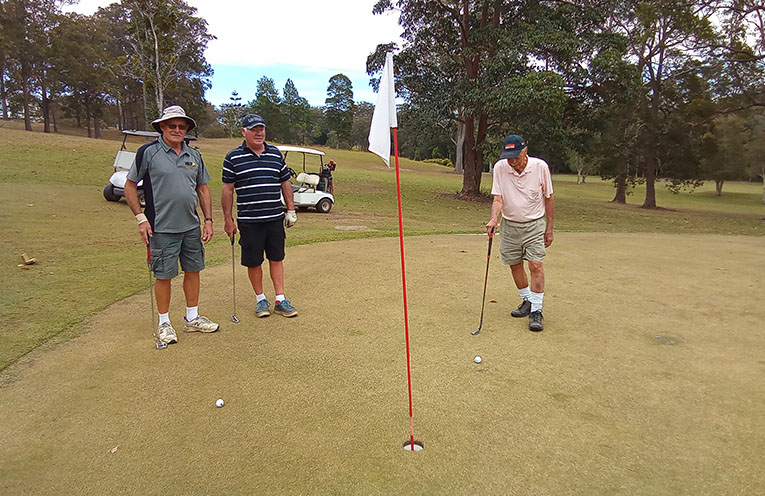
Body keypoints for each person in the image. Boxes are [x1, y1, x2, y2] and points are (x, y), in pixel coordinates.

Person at [125, 105, 220, 345]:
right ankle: (164, 323)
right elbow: (130, 185)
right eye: (172, 125)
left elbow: (203, 189)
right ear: (162, 127)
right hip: (160, 227)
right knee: (164, 275)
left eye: (182, 126)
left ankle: (192, 318)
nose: (177, 130)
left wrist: (208, 220)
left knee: (193, 270)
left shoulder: (194, 156)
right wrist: (140, 218)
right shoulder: (148, 153)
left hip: (191, 226)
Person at [221, 114, 299, 318]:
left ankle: (280, 299)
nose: (258, 133)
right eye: (253, 129)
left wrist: (291, 210)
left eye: (261, 129)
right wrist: (228, 220)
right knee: (254, 261)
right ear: (243, 132)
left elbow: (285, 183)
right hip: (249, 221)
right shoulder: (233, 157)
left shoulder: (275, 154)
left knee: (276, 258)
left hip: (274, 218)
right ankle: (260, 299)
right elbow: (227, 190)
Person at [486, 135, 554, 332]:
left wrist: (549, 228)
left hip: (535, 224)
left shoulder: (540, 167)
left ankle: (536, 311)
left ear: (525, 151)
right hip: (510, 224)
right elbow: (498, 198)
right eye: (509, 157)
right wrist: (494, 218)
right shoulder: (500, 167)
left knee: (535, 265)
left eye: (516, 156)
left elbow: (549, 198)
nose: (512, 161)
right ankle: (527, 300)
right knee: (515, 264)